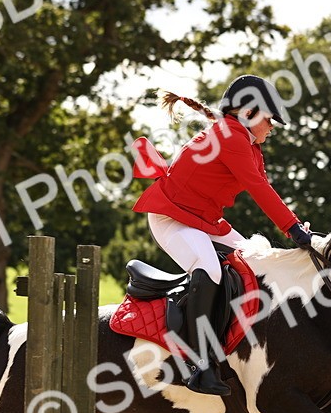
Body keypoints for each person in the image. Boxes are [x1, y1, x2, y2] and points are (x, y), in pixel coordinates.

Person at [131, 75, 312, 396]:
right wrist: (293, 228)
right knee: (210, 268)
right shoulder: (230, 136)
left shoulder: (249, 145)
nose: (272, 127)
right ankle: (199, 365)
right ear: (248, 113)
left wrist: (296, 228)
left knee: (257, 258)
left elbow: (265, 188)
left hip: (204, 220)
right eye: (269, 119)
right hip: (172, 217)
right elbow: (259, 189)